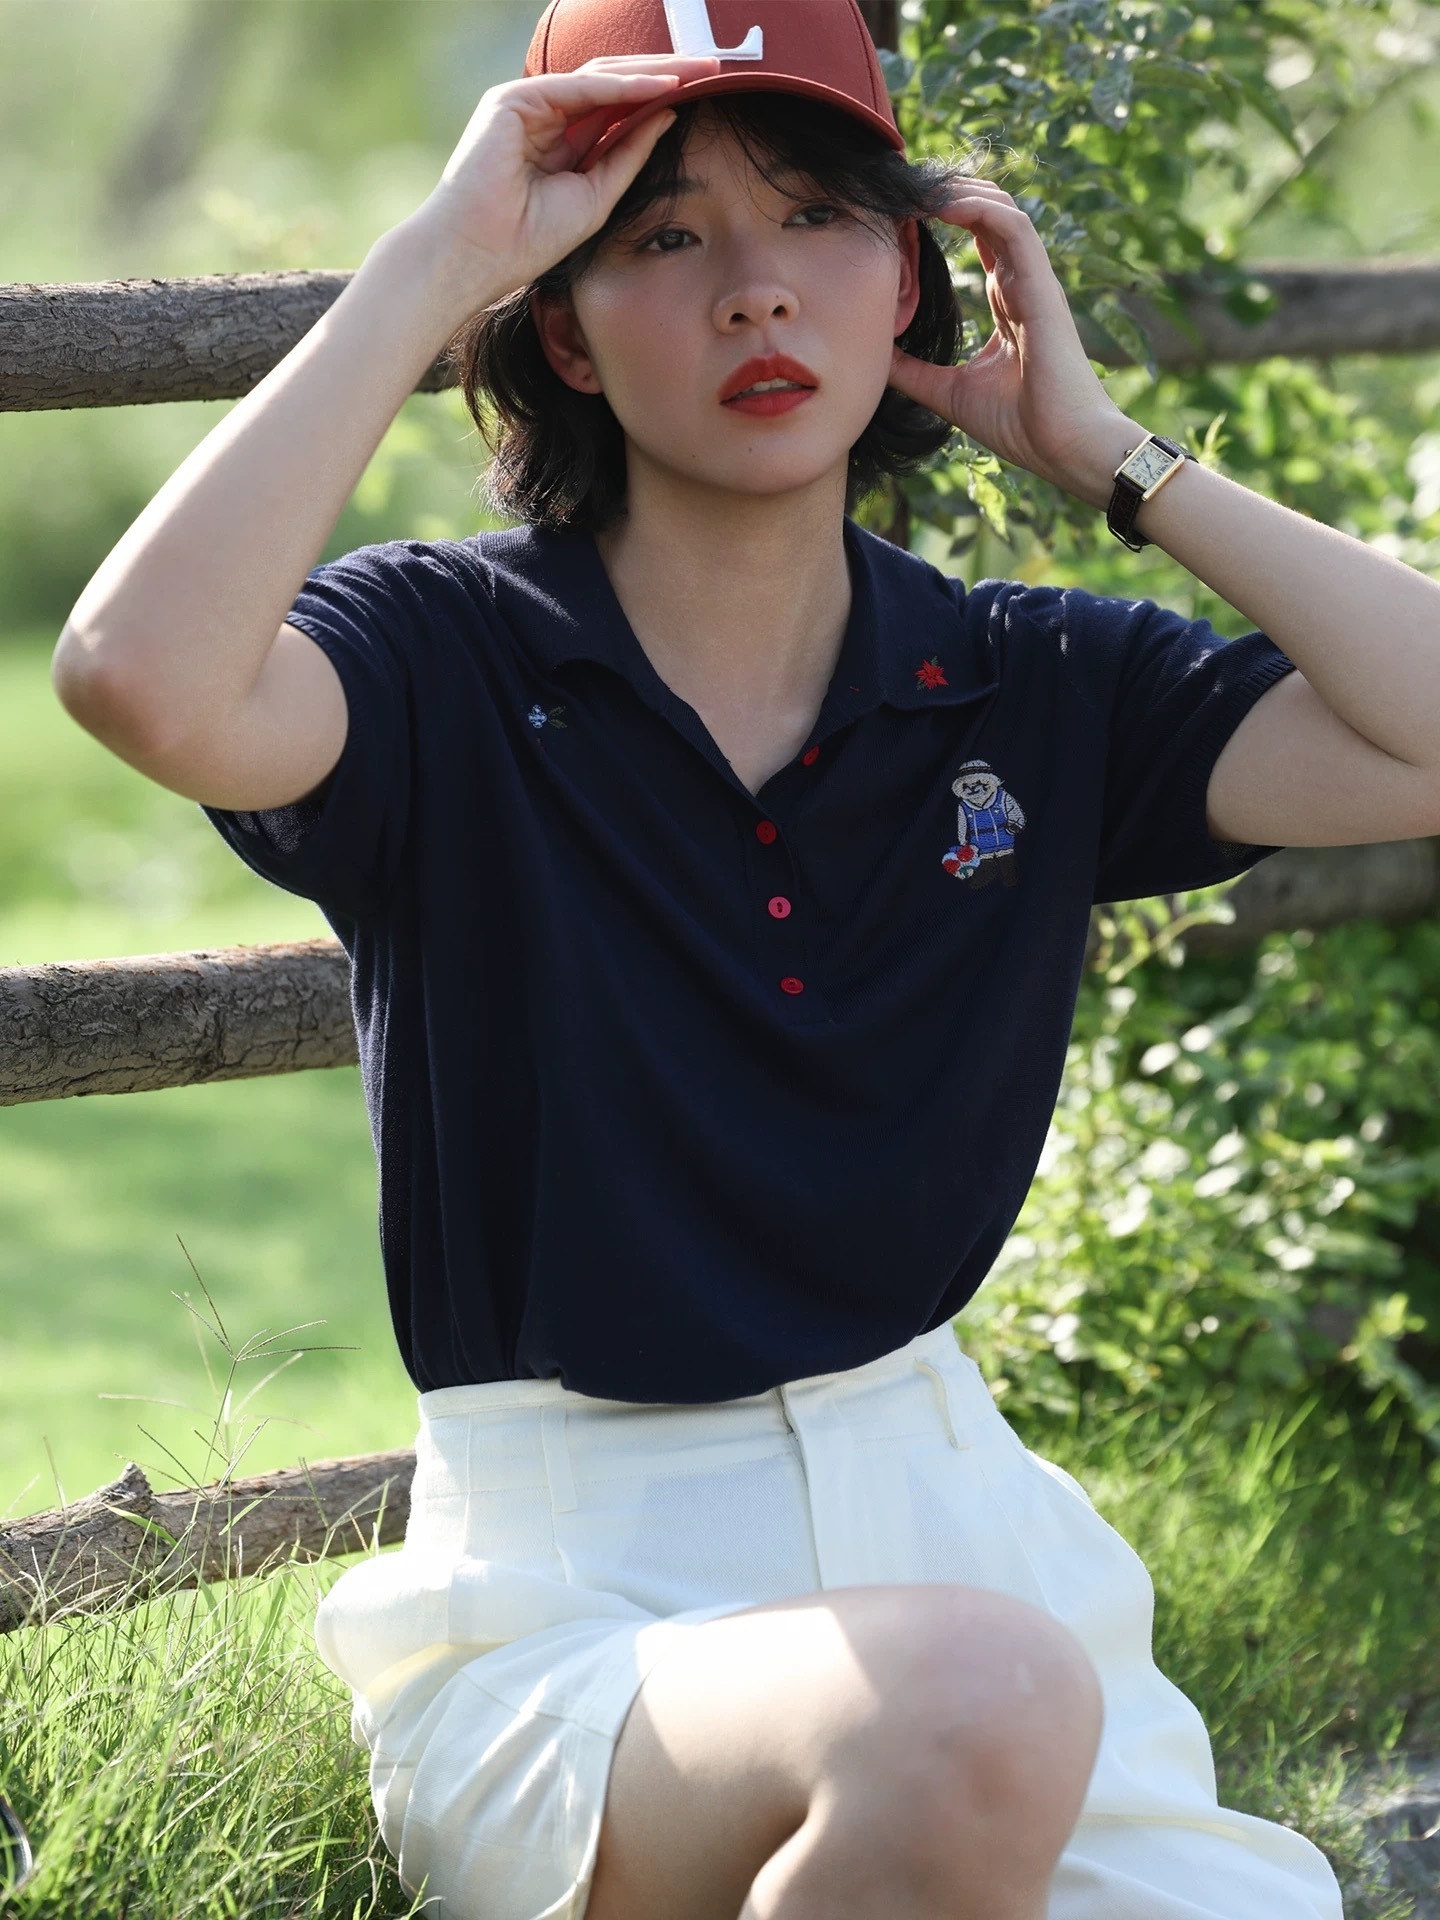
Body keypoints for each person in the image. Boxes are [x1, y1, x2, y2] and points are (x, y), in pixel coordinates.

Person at [52, 0, 1440, 1912]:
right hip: (577, 1603)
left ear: (912, 280)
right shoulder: (442, 660)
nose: (755, 292)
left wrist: (1107, 453)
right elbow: (139, 677)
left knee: (1037, 1739)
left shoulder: (1022, 683)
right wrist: (441, 257)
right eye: (663, 233)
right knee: (969, 1708)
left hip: (967, 1540)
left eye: (816, 218)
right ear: (565, 328)